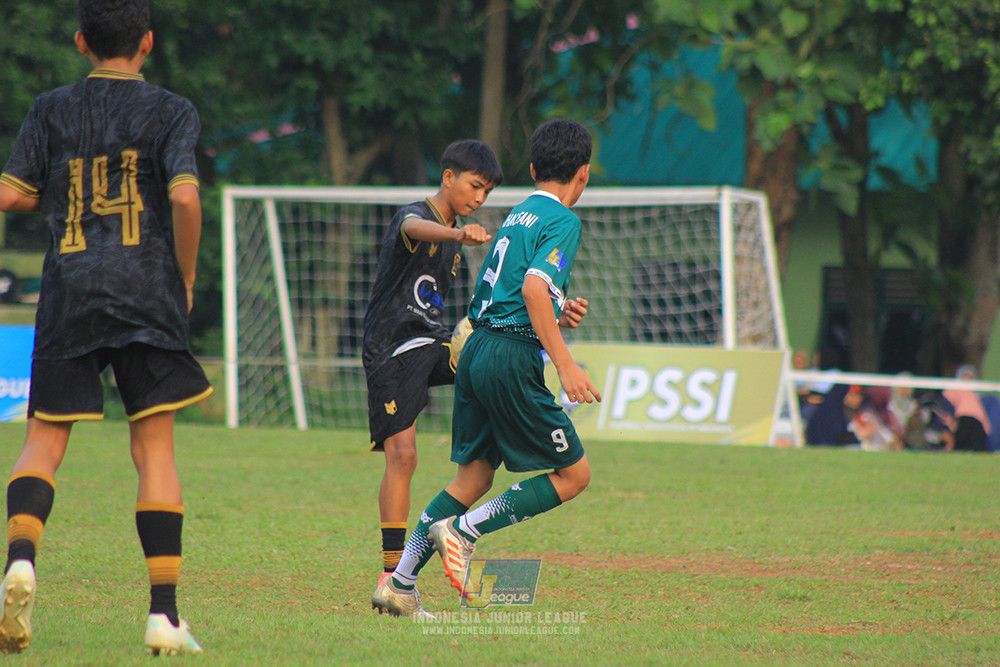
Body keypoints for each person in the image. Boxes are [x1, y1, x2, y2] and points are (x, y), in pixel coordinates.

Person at [0, 0, 210, 655]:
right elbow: (182, 195)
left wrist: (52, 193)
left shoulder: (50, 108)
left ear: (81, 40)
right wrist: (186, 276)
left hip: (69, 290)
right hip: (147, 291)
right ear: (147, 42)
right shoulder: (172, 109)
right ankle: (163, 615)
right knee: (154, 450)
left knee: (43, 443)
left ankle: (22, 559)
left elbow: (11, 193)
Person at [372, 118, 600, 618]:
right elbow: (533, 289)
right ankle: (464, 531)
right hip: (510, 357)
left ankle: (400, 583)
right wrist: (565, 363)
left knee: (472, 478)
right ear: (582, 175)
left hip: (476, 349)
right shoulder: (563, 219)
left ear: (535, 168)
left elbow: (506, 295)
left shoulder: (517, 215)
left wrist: (556, 310)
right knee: (575, 474)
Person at [362, 140, 502, 597]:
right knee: (403, 457)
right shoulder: (416, 217)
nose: (479, 199)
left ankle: (488, 452)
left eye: (486, 192)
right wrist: (456, 234)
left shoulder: (455, 239)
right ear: (448, 177)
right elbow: (416, 227)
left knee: (486, 351)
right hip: (394, 347)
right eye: (474, 186)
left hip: (432, 342)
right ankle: (391, 570)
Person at [942, 365, 990, 452]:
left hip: (976, 424)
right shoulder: (954, 389)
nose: (967, 381)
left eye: (970, 378)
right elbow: (947, 398)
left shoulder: (978, 396)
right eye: (965, 378)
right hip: (961, 421)